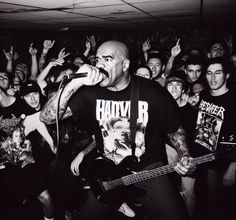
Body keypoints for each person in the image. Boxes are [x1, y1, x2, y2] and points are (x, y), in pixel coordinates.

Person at [40, 40, 194, 220]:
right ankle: (118, 203)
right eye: (97, 60)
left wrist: (184, 154)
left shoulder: (151, 91)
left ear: (125, 65)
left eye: (107, 59)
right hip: (108, 171)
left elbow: (174, 128)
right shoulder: (91, 92)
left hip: (147, 169)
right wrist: (75, 83)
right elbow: (47, 117)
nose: (100, 65)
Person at [193, 57, 236, 220]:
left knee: (218, 206)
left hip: (222, 162)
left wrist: (233, 166)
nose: (212, 77)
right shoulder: (203, 95)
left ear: (227, 75)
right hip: (201, 158)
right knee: (203, 201)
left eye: (217, 73)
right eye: (209, 73)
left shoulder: (233, 99)